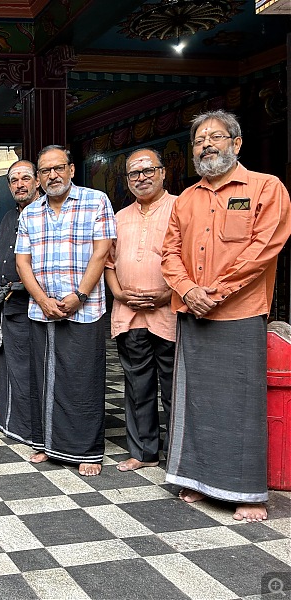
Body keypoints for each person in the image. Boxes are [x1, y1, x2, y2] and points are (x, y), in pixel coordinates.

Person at [162, 110, 291, 522]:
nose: (206, 146)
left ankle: (247, 491)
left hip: (239, 311)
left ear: (236, 144)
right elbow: (169, 253)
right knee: (197, 402)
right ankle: (199, 480)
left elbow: (264, 248)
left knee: (241, 403)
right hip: (192, 310)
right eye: (199, 140)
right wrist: (187, 290)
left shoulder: (265, 188)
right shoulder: (187, 198)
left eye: (216, 137)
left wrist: (214, 293)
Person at [16, 145, 116, 476]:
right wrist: (42, 300)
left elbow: (102, 252)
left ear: (72, 169)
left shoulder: (96, 201)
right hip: (41, 308)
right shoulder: (30, 213)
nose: (52, 175)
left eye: (58, 168)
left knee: (82, 379)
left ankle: (87, 451)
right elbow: (22, 262)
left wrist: (80, 294)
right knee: (43, 379)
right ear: (39, 178)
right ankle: (45, 443)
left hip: (84, 309)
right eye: (45, 171)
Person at [105, 148, 177, 472]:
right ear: (127, 181)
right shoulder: (119, 218)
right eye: (134, 173)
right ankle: (144, 452)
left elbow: (193, 260)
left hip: (171, 313)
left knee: (175, 388)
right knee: (137, 386)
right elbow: (107, 264)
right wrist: (120, 294)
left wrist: (168, 294)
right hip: (130, 313)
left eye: (149, 170)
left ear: (163, 172)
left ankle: (178, 456)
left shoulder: (180, 209)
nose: (142, 177)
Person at [0, 160, 39, 445]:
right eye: (14, 180)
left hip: (33, 302)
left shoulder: (44, 213)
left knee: (32, 368)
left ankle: (32, 427)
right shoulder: (10, 217)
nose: (20, 185)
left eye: (25, 178)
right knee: (13, 366)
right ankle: (13, 423)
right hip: (8, 302)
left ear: (38, 181)